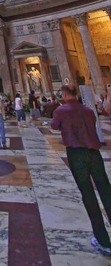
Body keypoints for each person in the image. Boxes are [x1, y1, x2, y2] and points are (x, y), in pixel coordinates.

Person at [51, 85, 111, 257]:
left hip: (77, 154)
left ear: (63, 94)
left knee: (88, 195)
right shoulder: (88, 111)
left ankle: (103, 241)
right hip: (94, 153)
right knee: (106, 191)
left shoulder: (61, 110)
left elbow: (55, 126)